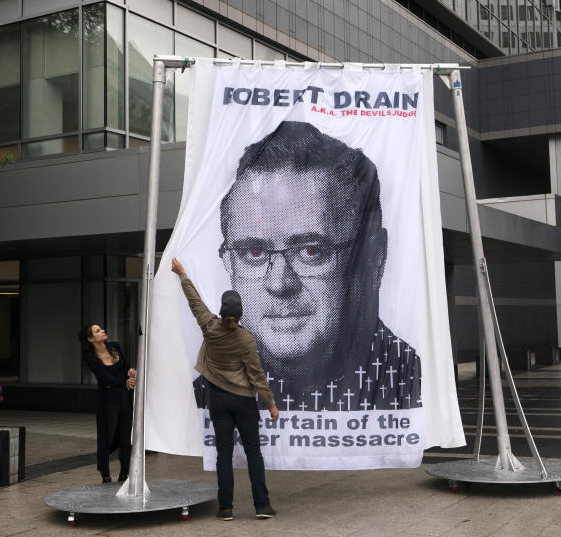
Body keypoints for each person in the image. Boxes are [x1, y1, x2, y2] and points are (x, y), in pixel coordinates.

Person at [210, 120, 421, 412]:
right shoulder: (209, 391)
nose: (279, 284)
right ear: (230, 263)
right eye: (254, 252)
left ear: (374, 257)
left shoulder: (415, 384)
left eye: (311, 250)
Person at [172, 257, 279, 521]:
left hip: (218, 400)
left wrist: (182, 274)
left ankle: (226, 508)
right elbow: (257, 376)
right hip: (243, 402)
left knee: (224, 454)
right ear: (241, 313)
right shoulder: (246, 340)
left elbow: (194, 302)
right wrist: (272, 404)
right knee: (254, 453)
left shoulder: (210, 328)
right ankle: (262, 506)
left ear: (221, 311)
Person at [78, 323, 136, 483]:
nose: (103, 330)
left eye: (101, 328)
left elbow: (124, 367)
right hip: (107, 403)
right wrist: (124, 382)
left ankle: (124, 473)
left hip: (124, 400)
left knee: (126, 439)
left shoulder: (115, 347)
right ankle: (105, 474)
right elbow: (105, 379)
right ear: (91, 339)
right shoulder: (91, 358)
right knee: (106, 439)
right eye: (98, 331)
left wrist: (130, 371)